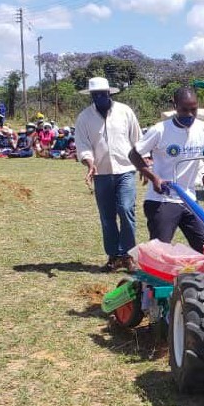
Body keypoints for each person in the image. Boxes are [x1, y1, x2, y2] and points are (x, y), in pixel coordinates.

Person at [130, 87, 204, 253]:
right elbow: (134, 154)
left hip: (189, 200)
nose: (189, 114)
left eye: (193, 109)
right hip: (163, 200)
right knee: (159, 251)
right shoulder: (160, 130)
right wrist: (154, 178)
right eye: (184, 110)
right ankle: (151, 278)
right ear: (175, 106)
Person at [75, 77, 141, 272]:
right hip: (101, 172)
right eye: (95, 95)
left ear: (109, 93)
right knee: (107, 217)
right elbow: (83, 145)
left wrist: (145, 164)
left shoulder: (125, 112)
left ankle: (128, 255)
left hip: (126, 169)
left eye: (102, 94)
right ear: (91, 96)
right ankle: (114, 256)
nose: (99, 97)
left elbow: (138, 140)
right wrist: (90, 164)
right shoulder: (84, 118)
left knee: (126, 209)